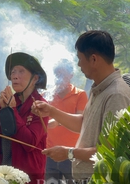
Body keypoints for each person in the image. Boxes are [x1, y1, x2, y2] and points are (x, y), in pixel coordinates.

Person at [32, 30, 130, 182]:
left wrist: (69, 153)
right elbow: (84, 123)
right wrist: (52, 111)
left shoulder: (116, 94)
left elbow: (109, 151)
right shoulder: (99, 89)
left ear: (93, 59)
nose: (78, 64)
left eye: (79, 58)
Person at [0, 52, 49, 184]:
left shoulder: (40, 106)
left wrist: (12, 110)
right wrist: (1, 112)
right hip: (0, 173)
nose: (14, 76)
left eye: (21, 71)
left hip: (27, 177)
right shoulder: (5, 102)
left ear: (35, 79)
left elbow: (30, 143)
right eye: (13, 72)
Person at [44, 59, 88, 183]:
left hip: (71, 153)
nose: (59, 78)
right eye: (57, 74)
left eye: (63, 74)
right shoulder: (48, 95)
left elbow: (80, 120)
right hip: (50, 152)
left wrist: (57, 121)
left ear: (71, 75)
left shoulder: (80, 95)